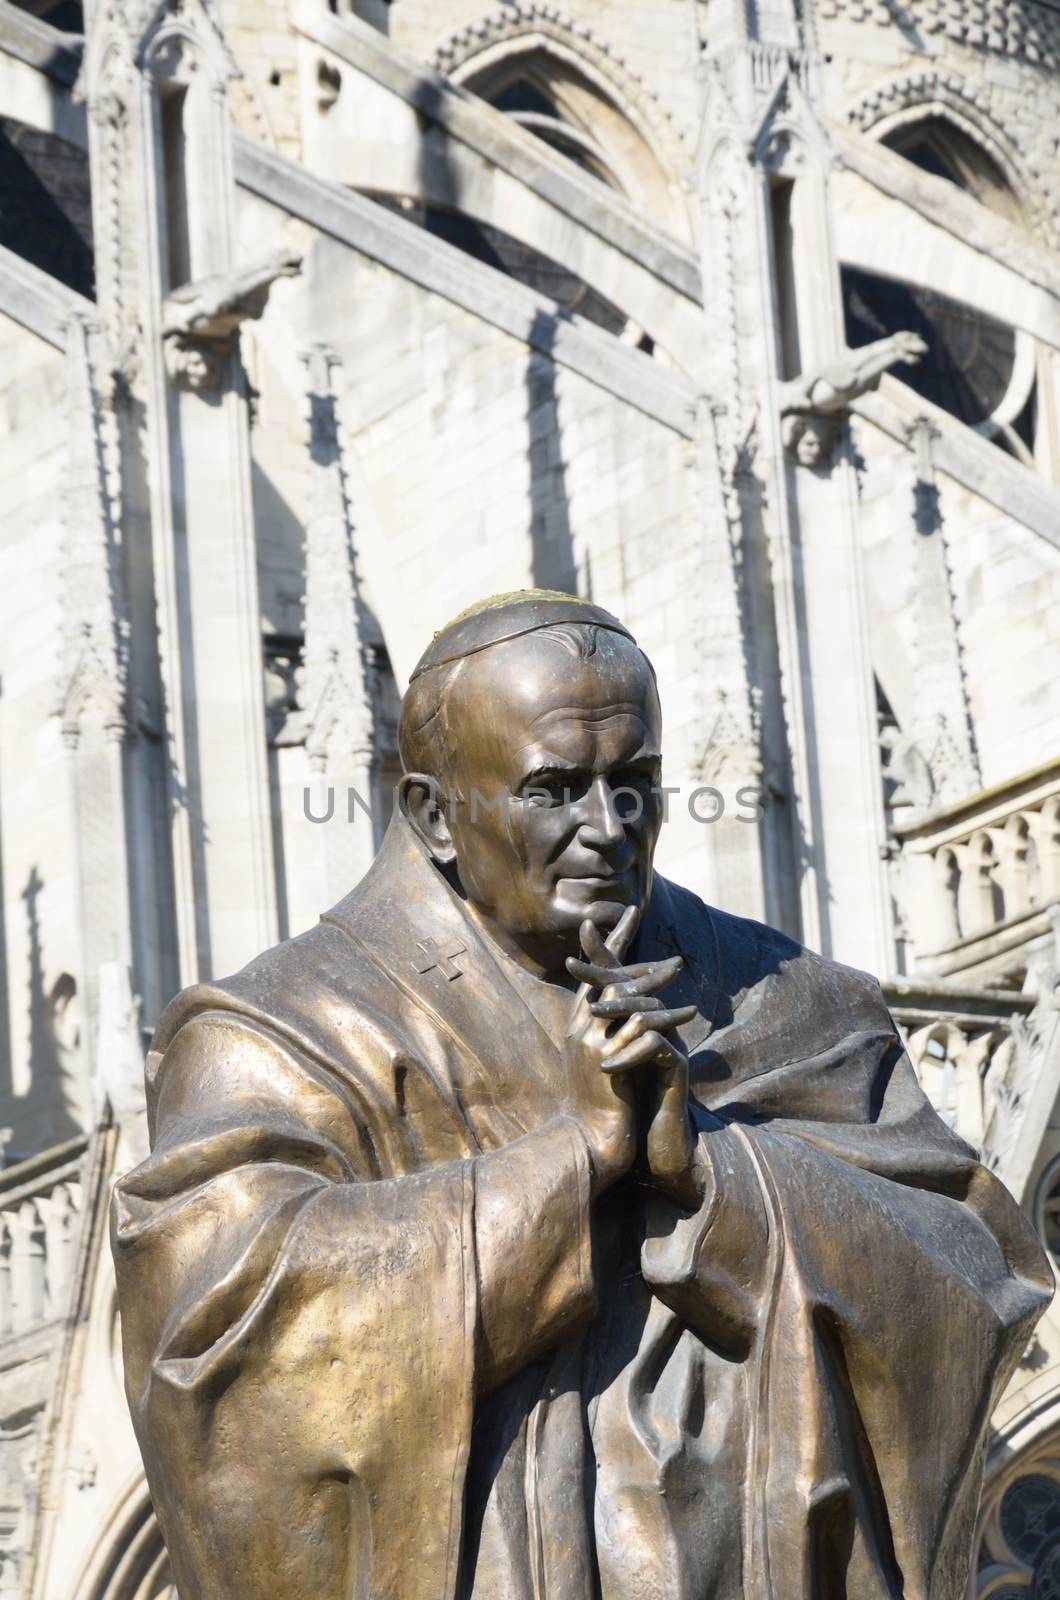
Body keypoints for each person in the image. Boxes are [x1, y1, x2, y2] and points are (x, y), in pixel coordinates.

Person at [113, 590, 1050, 1600]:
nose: (608, 828)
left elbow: (970, 1261)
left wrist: (706, 1166)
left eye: (635, 782)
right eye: (555, 789)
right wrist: (576, 1157)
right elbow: (220, 1358)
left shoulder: (784, 993)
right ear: (433, 812)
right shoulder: (280, 1035)